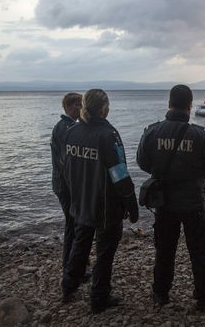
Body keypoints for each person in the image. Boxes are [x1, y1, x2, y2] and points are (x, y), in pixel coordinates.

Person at [137, 84, 205, 311]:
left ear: (169, 104)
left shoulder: (152, 132)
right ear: (190, 106)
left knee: (164, 249)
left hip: (164, 202)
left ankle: (161, 292)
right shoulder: (199, 134)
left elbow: (142, 162)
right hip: (193, 201)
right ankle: (203, 295)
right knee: (199, 250)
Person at [61, 89, 139, 314]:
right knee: (104, 253)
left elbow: (66, 168)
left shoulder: (72, 132)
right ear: (104, 108)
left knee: (80, 244)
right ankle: (99, 297)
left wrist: (73, 196)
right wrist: (131, 204)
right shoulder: (108, 134)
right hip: (105, 206)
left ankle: (68, 285)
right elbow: (119, 173)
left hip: (81, 202)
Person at [50, 92, 84, 272]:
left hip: (63, 184)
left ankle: (76, 264)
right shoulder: (66, 128)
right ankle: (70, 267)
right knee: (73, 225)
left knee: (76, 224)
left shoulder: (66, 126)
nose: (82, 109)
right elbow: (66, 162)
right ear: (70, 107)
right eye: (80, 105)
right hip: (65, 186)